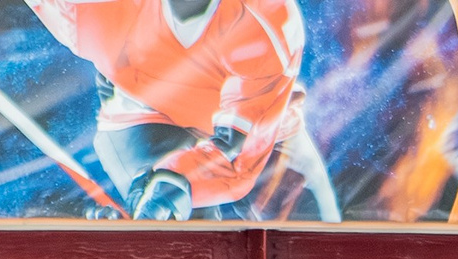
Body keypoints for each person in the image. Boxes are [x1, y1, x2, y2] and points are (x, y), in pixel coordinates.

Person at [23, 0, 340, 220]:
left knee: (322, 257)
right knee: (179, 234)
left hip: (265, 135)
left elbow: (240, 154)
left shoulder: (267, 22)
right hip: (142, 112)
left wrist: (176, 182)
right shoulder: (89, 11)